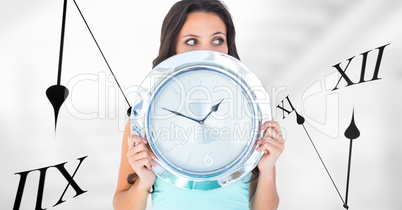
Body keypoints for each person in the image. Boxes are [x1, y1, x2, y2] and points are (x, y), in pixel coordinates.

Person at [113, 0, 285, 209]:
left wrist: (267, 170)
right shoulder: (145, 119)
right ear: (173, 46)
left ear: (228, 45)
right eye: (192, 41)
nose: (206, 52)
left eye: (217, 40)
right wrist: (144, 182)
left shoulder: (253, 115)